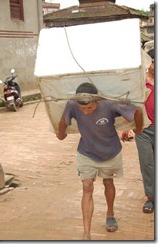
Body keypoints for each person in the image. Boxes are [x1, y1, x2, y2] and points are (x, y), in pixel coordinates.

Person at [56, 82, 143, 240]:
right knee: (87, 186)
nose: (85, 112)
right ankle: (86, 234)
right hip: (87, 151)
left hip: (110, 151)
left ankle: (110, 214)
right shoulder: (72, 104)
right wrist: (61, 131)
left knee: (108, 183)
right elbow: (61, 127)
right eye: (82, 109)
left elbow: (137, 111)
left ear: (97, 101)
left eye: (89, 108)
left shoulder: (109, 103)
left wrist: (139, 129)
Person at [121, 49, 154, 214]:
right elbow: (130, 105)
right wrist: (126, 127)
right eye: (153, 61)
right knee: (147, 164)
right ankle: (151, 197)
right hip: (144, 129)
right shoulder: (140, 83)